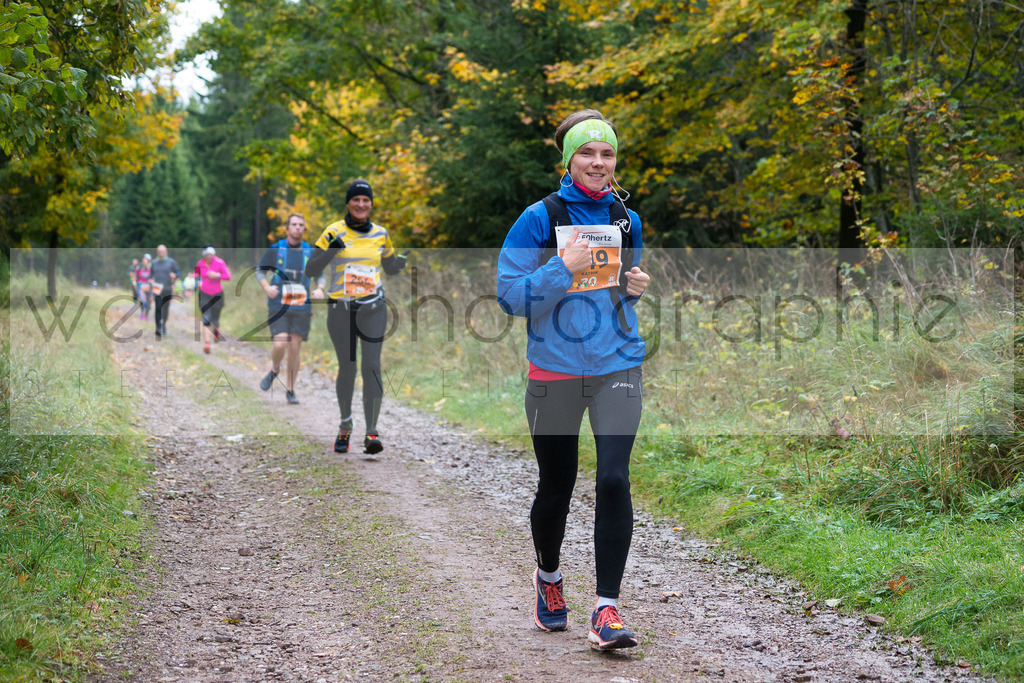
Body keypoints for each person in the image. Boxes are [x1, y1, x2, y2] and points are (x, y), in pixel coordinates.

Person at [496, 109, 651, 651]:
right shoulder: (539, 218)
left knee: (613, 479)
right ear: (567, 161)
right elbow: (512, 297)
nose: (598, 162)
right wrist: (563, 266)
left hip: (618, 364)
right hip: (554, 371)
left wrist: (632, 290)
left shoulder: (626, 218)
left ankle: (606, 609)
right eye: (587, 152)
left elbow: (616, 291)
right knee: (557, 486)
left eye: (607, 153)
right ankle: (549, 580)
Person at [305, 179, 406, 455]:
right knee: (347, 367)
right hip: (341, 311)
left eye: (366, 200)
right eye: (356, 200)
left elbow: (389, 266)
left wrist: (398, 264)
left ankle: (372, 430)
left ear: (371, 204)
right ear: (348, 203)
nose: (361, 205)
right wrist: (331, 251)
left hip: (373, 309)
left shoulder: (381, 234)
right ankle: (345, 424)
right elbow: (310, 270)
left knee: (371, 365)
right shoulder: (332, 231)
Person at [256, 213, 326, 404]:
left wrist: (320, 289)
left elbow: (320, 275)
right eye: (294, 224)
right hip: (278, 303)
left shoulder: (310, 251)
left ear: (304, 229)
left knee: (294, 348)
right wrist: (267, 287)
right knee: (280, 343)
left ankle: (291, 390)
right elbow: (260, 271)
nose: (297, 227)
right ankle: (275, 369)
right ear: (287, 228)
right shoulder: (276, 249)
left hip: (302, 305)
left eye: (301, 225)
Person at [192, 246, 232, 354]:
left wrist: (216, 275)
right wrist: (196, 278)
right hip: (204, 293)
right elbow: (195, 274)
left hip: (217, 294)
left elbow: (228, 276)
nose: (208, 257)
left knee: (215, 319)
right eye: (206, 255)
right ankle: (207, 343)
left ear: (213, 255)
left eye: (210, 255)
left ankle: (216, 332)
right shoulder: (200, 263)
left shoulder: (219, 262)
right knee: (206, 318)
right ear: (204, 255)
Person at [150, 244, 180, 338]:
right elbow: (150, 275)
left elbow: (178, 272)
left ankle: (164, 325)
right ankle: (158, 327)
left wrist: (175, 276)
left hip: (167, 288)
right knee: (158, 308)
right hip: (157, 288)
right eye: (159, 252)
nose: (161, 254)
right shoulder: (154, 262)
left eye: (163, 252)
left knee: (165, 309)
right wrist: (150, 280)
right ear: (157, 253)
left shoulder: (171, 262)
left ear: (166, 252)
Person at [136, 254, 153, 320]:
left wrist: (151, 281)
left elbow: (153, 278)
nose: (145, 262)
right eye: (144, 261)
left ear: (148, 262)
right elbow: (136, 277)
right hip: (141, 286)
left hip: (149, 286)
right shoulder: (139, 268)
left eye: (146, 261)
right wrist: (135, 284)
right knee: (142, 300)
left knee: (149, 301)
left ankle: (147, 315)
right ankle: (142, 313)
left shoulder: (151, 269)